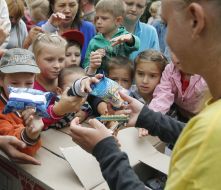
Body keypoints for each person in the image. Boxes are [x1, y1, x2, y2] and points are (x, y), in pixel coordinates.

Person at [70, 0, 221, 189]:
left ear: (195, 22)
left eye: (166, 23)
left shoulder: (212, 130)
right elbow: (193, 134)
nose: (165, 38)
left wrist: (105, 150)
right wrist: (148, 118)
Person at [0, 48, 44, 157]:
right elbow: (14, 141)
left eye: (29, 83)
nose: (22, 89)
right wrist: (29, 135)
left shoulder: (34, 99)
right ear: (1, 80)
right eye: (14, 83)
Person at [83, 0, 140, 74]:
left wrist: (130, 39)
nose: (98, 22)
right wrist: (93, 62)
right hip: (101, 82)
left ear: (118, 20)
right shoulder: (94, 41)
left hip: (121, 80)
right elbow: (86, 65)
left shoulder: (123, 37)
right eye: (97, 18)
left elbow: (136, 45)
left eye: (104, 18)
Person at [149, 52, 208, 122]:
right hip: (180, 114)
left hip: (203, 118)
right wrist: (151, 118)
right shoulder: (170, 70)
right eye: (173, 51)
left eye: (183, 52)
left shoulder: (206, 74)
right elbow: (163, 96)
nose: (177, 60)